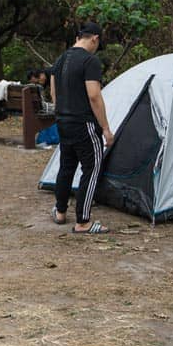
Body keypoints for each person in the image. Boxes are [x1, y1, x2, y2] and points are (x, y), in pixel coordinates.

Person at [49, 22, 114, 234]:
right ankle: (83, 221)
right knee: (92, 168)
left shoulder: (61, 59)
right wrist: (105, 127)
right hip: (84, 123)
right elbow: (94, 95)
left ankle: (60, 211)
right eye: (98, 42)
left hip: (64, 121)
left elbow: (53, 92)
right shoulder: (89, 61)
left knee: (66, 166)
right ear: (94, 38)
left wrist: (61, 114)